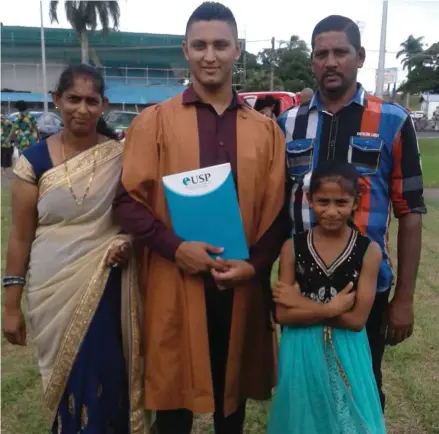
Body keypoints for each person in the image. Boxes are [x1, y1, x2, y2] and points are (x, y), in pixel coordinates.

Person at [113, 2, 289, 433]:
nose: (210, 55)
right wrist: (176, 249)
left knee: (232, 406)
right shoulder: (154, 122)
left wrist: (254, 265)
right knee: (173, 408)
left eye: (220, 45)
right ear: (185, 50)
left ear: (237, 50)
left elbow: (279, 212)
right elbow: (126, 203)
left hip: (240, 285)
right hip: (176, 281)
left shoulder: (265, 130)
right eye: (200, 45)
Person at [277, 15, 426, 409]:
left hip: (366, 289)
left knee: (360, 388)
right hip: (302, 287)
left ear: (359, 57)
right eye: (321, 54)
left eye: (340, 52)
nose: (330, 61)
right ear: (312, 62)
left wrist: (405, 298)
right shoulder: (287, 123)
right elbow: (275, 207)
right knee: (304, 390)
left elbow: (410, 212)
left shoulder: (392, 120)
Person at [2, 65, 147, 434]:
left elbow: (142, 215)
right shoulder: (32, 162)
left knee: (107, 374)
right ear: (56, 100)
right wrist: (10, 306)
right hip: (52, 290)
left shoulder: (121, 156)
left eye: (91, 101)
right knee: (68, 381)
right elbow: (20, 237)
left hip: (108, 285)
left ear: (104, 106)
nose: (81, 109)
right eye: (73, 99)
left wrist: (128, 243)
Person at [268, 161, 386, 434]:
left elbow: (357, 321)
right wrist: (331, 308)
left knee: (348, 417)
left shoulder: (368, 252)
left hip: (348, 350)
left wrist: (301, 304)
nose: (331, 211)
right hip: (300, 348)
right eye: (322, 201)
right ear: (309, 199)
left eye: (341, 202)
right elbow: (282, 315)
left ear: (356, 202)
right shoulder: (292, 248)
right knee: (305, 416)